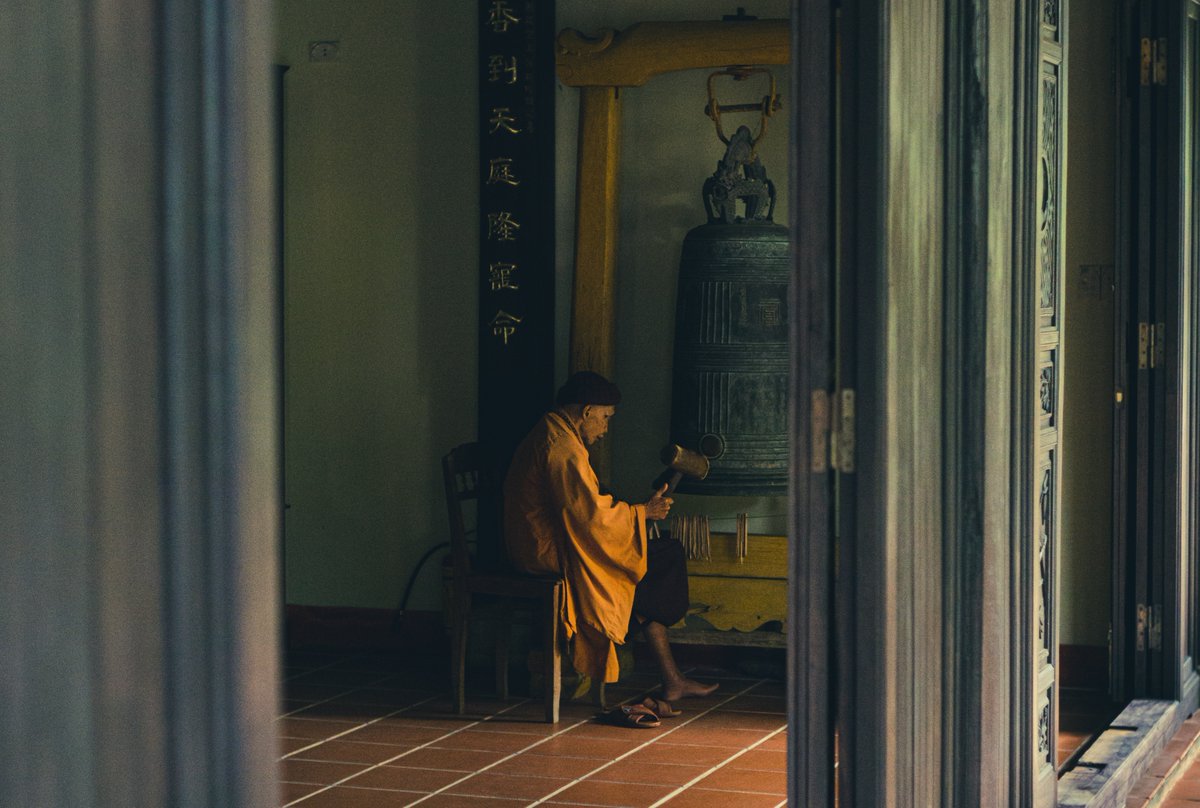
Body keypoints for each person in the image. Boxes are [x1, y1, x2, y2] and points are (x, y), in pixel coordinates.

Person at [503, 370, 718, 718]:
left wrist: (637, 514)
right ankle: (670, 676)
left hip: (551, 541)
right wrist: (641, 513)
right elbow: (588, 516)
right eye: (604, 419)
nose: (604, 430)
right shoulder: (561, 447)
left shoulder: (557, 432)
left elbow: (586, 509)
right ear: (586, 411)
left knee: (653, 559)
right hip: (544, 551)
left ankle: (672, 677)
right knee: (657, 562)